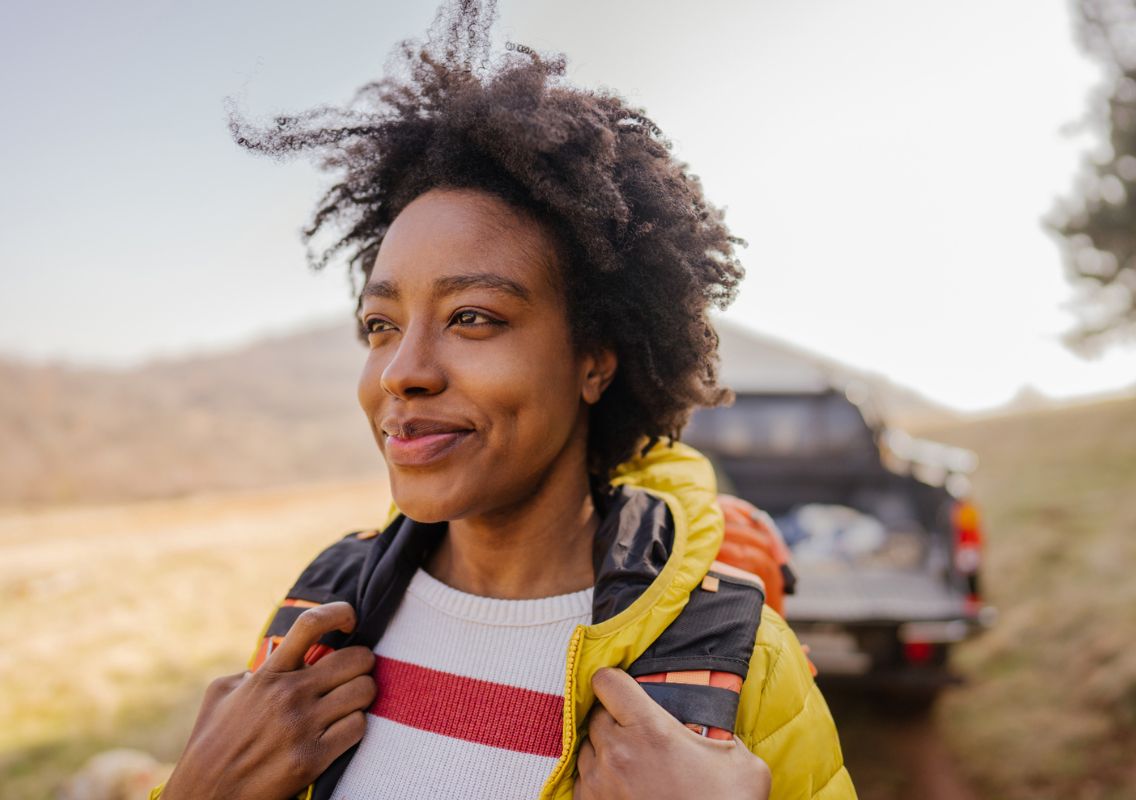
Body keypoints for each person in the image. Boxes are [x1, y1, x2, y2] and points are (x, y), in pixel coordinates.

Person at [155, 2, 855, 798]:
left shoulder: (736, 661)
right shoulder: (319, 619)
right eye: (380, 325)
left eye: (473, 318)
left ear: (594, 360)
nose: (402, 372)